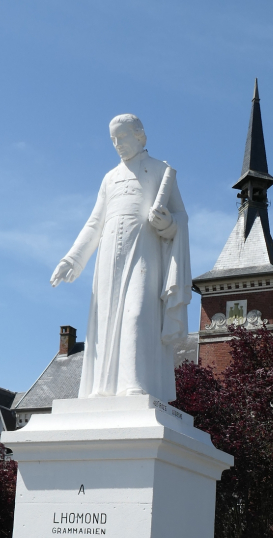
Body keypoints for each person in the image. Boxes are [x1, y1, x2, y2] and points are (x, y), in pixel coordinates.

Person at [51, 114, 192, 402]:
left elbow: (181, 217)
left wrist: (167, 222)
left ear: (140, 135)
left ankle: (135, 384)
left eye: (123, 137)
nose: (118, 144)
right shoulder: (110, 178)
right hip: (108, 258)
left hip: (144, 253)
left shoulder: (160, 170)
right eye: (113, 140)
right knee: (105, 319)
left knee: (138, 314)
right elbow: (94, 223)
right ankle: (103, 388)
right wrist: (73, 259)